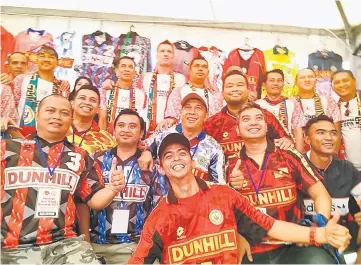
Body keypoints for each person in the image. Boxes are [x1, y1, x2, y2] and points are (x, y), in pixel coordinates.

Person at [127, 133, 350, 264]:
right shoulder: (159, 217)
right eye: (168, 156)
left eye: (182, 153)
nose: (176, 158)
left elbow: (269, 226)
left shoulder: (223, 196)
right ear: (162, 169)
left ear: (193, 162)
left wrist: (320, 233)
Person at [1, 95, 125, 264]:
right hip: (12, 247)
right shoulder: (8, 149)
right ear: (37, 114)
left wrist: (112, 188)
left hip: (64, 244)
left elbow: (93, 201)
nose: (57, 117)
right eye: (50, 111)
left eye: (64, 113)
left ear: (71, 119)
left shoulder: (81, 156)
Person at [227, 102, 343, 264]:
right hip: (252, 247)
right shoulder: (230, 164)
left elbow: (321, 195)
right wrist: (237, 236)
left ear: (267, 127)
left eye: (259, 118)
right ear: (238, 130)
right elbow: (223, 211)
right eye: (246, 119)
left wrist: (319, 224)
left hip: (294, 243)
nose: (253, 122)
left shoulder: (288, 155)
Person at [86, 109, 167, 264]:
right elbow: (84, 202)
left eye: (132, 126)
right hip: (98, 244)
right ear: (113, 130)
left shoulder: (151, 166)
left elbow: (159, 208)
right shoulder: (96, 160)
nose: (126, 130)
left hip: (137, 245)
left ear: (142, 132)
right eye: (121, 125)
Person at [303, 115, 361, 263]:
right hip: (306, 241)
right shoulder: (295, 166)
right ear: (307, 139)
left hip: (344, 237)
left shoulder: (346, 168)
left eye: (333, 133)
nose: (329, 137)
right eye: (321, 132)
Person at [204, 69, 293, 164]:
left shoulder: (265, 116)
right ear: (222, 93)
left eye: (240, 85)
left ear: (248, 90)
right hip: (226, 176)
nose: (235, 89)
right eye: (230, 86)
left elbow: (286, 141)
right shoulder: (212, 124)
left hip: (262, 175)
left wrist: (287, 141)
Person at [140, 88, 225, 183]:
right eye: (187, 107)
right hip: (163, 196)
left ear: (206, 116)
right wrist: (146, 152)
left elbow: (220, 185)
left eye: (198, 108)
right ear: (181, 112)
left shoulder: (213, 147)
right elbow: (139, 146)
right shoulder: (163, 134)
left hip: (197, 197)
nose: (192, 112)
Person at [13, 45, 71, 137]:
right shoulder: (21, 79)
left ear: (57, 63)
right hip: (19, 134)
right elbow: (12, 106)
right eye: (42, 56)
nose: (46, 60)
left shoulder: (62, 86)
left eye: (51, 57)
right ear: (36, 60)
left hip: (50, 137)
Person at [161, 55, 223, 128]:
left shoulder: (214, 95)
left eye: (204, 67)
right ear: (189, 71)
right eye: (197, 66)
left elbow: (217, 120)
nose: (200, 69)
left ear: (208, 72)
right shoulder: (178, 91)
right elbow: (172, 116)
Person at [141, 40, 186, 134]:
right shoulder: (145, 77)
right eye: (162, 51)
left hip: (170, 129)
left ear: (173, 57)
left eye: (169, 52)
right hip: (147, 129)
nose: (166, 54)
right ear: (157, 55)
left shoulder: (181, 79)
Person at [256, 69, 306, 152]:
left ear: (283, 84)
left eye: (279, 81)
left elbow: (298, 132)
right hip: (263, 151)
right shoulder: (257, 105)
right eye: (272, 80)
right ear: (264, 85)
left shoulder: (293, 104)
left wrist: (299, 157)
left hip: (288, 150)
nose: (276, 83)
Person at [292, 68, 341, 151]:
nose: (307, 80)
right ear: (296, 82)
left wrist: (333, 155)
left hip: (325, 152)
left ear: (316, 80)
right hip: (297, 154)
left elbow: (337, 132)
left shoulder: (329, 101)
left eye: (310, 77)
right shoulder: (289, 104)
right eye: (302, 77)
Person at [99, 56, 147, 134]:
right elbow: (102, 119)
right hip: (108, 137)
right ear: (117, 71)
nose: (127, 69)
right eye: (123, 66)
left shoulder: (140, 95)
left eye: (130, 67)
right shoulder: (106, 91)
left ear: (134, 72)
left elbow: (138, 120)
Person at [68, 84, 116, 156]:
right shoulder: (59, 129)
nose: (87, 103)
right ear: (72, 104)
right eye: (82, 98)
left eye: (93, 100)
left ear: (98, 109)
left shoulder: (108, 140)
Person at [331, 70, 361, 171]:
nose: (341, 85)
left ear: (354, 81)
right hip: (349, 170)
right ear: (332, 87)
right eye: (337, 82)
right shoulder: (333, 108)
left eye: (345, 80)